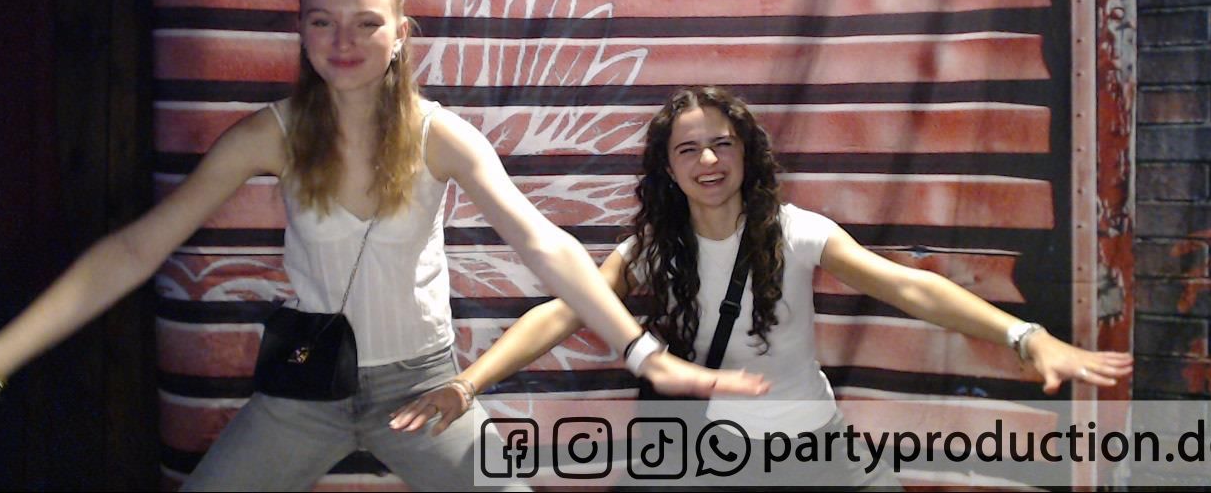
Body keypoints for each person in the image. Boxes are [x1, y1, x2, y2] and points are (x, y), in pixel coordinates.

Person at [0, 0, 766, 491]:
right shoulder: (268, 135)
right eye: (321, 21)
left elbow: (540, 242)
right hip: (303, 391)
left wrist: (644, 353)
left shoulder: (442, 135)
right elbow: (137, 249)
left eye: (366, 22)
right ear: (301, 31)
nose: (342, 40)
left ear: (401, 36)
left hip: (421, 390)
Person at [390, 85, 1135, 487]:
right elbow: (562, 313)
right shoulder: (651, 250)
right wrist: (467, 384)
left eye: (722, 143)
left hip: (818, 450)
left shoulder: (794, 231)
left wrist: (1025, 336)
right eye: (689, 150)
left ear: (747, 153)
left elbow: (909, 288)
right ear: (668, 169)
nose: (709, 161)